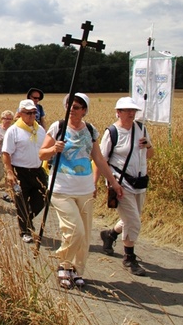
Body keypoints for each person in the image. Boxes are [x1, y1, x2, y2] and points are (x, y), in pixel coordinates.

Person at [39, 93, 124, 289]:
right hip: (61, 187)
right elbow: (41, 153)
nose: (72, 110)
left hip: (85, 188)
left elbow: (99, 159)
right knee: (74, 230)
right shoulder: (58, 127)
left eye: (76, 107)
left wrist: (113, 182)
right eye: (69, 106)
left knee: (84, 234)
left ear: (84, 110)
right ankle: (63, 263)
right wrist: (53, 150)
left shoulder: (91, 130)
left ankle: (76, 270)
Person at [98, 97, 154, 276]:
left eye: (133, 110)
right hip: (120, 183)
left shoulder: (141, 129)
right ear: (118, 112)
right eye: (127, 110)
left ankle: (110, 234)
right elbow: (101, 159)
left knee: (132, 217)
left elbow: (150, 154)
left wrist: (148, 145)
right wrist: (100, 183)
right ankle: (129, 258)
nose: (131, 113)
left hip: (140, 182)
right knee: (133, 221)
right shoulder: (112, 132)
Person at [2, 99, 46, 245]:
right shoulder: (13, 130)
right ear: (20, 114)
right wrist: (9, 172)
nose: (32, 115)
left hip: (38, 171)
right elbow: (6, 153)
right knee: (21, 201)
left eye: (34, 113)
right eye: (28, 113)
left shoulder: (40, 130)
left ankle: (26, 220)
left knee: (42, 198)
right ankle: (25, 230)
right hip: (19, 171)